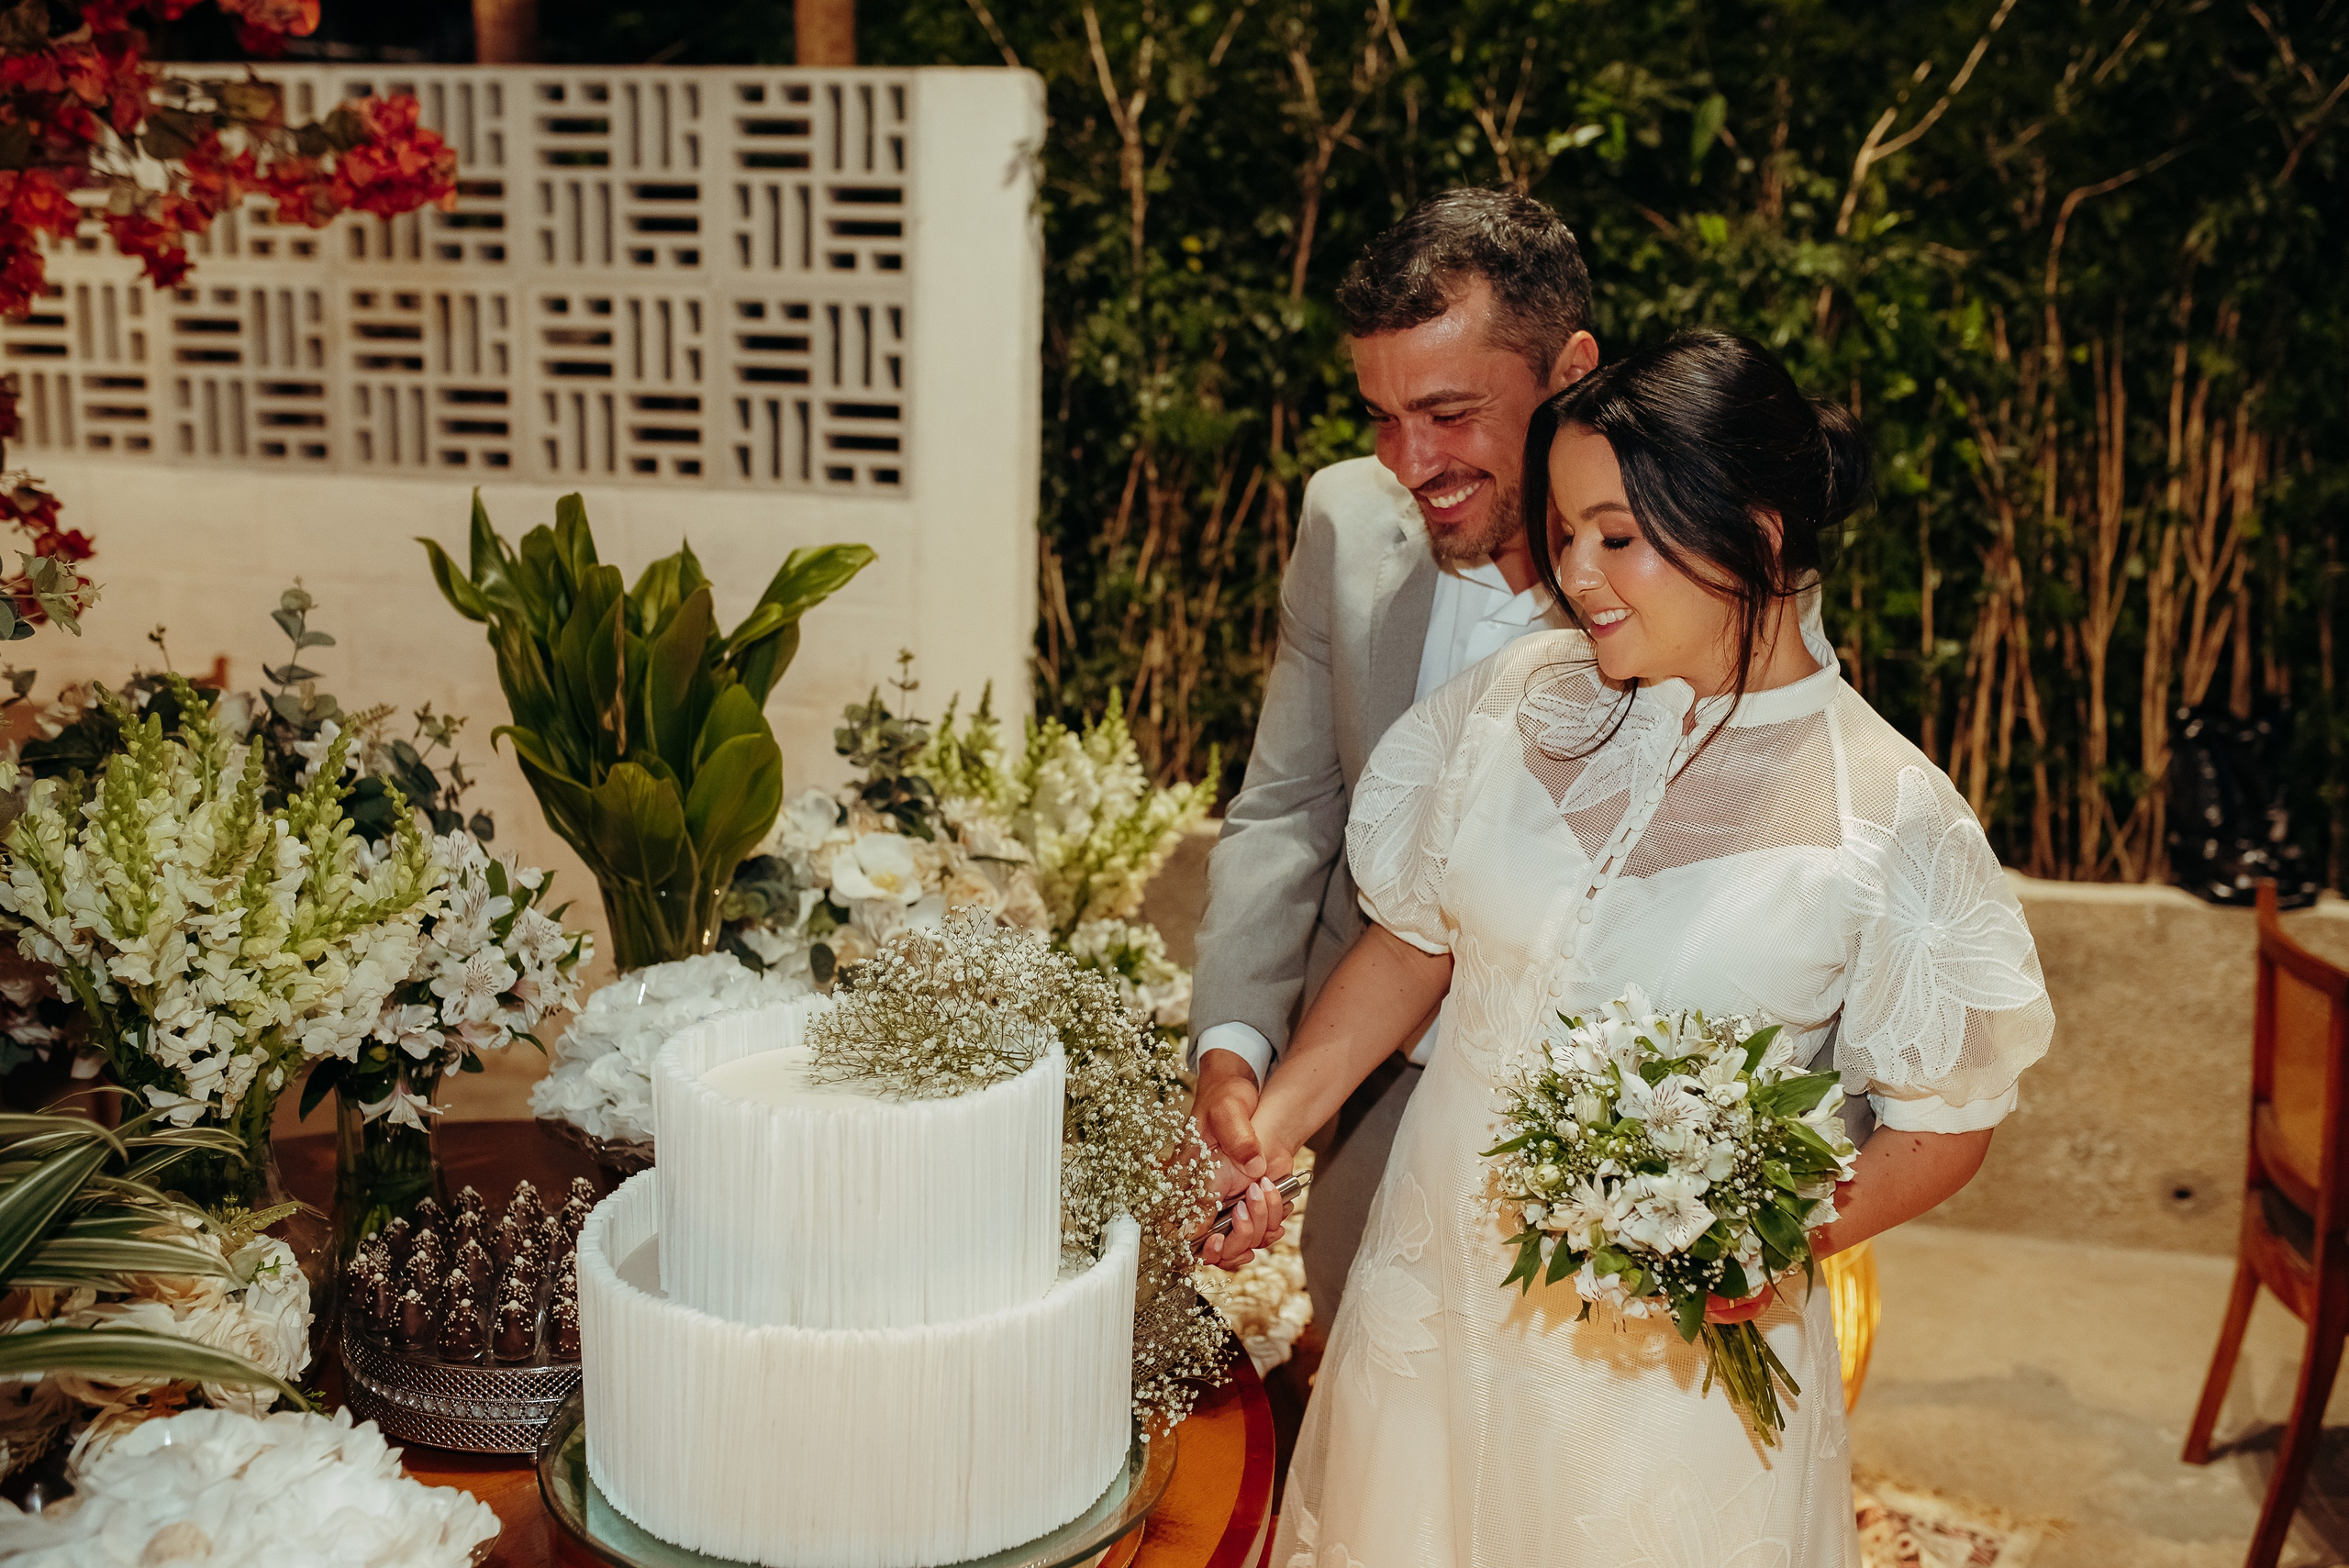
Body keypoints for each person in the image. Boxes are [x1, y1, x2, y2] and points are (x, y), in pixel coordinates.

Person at [1210, 332, 2054, 1564]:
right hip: (1433, 1294)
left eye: (1618, 536)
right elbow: (1413, 944)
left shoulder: (1890, 821)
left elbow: (1946, 1124)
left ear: (1757, 535)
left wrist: (1761, 1238)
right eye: (1563, 533)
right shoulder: (1520, 700)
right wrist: (1273, 1126)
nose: (1578, 574)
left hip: (1661, 1378)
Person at [1189, 187, 1598, 1325]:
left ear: (1567, 372)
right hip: (1364, 1090)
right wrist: (1233, 1049)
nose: (1409, 462)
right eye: (1379, 415)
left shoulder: (1691, 560)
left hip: (1590, 1122)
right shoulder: (1343, 521)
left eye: (1450, 413)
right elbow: (1286, 807)